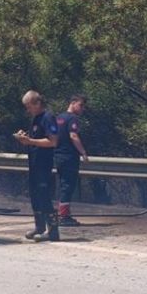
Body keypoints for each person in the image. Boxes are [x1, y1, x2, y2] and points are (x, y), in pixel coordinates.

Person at [14, 90, 59, 242]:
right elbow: (35, 136)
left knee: (44, 195)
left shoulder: (48, 118)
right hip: (34, 162)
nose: (28, 110)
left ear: (38, 103)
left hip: (44, 163)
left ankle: (53, 231)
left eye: (29, 106)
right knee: (35, 195)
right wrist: (24, 136)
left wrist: (30, 141)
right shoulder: (35, 118)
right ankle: (39, 227)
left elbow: (53, 141)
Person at [54, 94, 89, 226]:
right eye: (81, 105)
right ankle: (63, 216)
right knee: (68, 185)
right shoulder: (72, 118)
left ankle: (62, 213)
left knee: (64, 185)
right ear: (73, 103)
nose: (82, 109)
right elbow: (73, 135)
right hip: (69, 156)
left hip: (58, 155)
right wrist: (83, 152)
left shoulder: (59, 118)